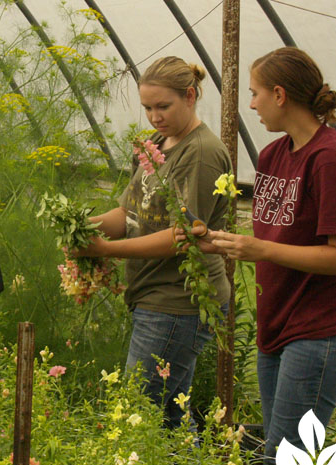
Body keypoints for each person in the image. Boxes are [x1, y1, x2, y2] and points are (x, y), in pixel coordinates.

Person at [200, 47, 336, 465]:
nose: (251, 104)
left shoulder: (330, 159)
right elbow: (278, 233)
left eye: (255, 93)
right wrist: (220, 241)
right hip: (278, 324)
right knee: (284, 457)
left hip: (320, 332)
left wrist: (259, 250)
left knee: (284, 463)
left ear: (279, 94)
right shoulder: (274, 156)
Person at [75, 56, 231, 428]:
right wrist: (81, 227)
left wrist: (106, 250)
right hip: (153, 297)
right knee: (168, 416)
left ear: (190, 96)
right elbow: (130, 214)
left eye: (164, 106)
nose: (155, 117)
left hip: (180, 300)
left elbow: (184, 238)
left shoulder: (201, 152)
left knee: (140, 414)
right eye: (147, 107)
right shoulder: (157, 144)